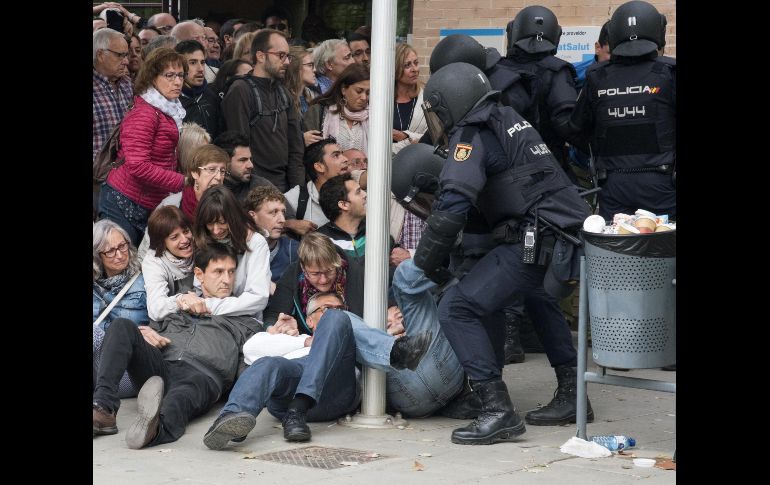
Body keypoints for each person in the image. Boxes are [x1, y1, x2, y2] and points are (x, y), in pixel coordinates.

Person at [415, 62, 594, 445]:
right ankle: (570, 393)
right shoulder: (506, 116)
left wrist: (424, 263)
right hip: (556, 232)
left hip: (534, 237)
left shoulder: (472, 134)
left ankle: (497, 409)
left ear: (449, 104)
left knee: (457, 306)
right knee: (501, 299)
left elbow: (451, 209)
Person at [92, 243, 264, 448]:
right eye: (218, 272)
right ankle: (104, 408)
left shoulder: (246, 322)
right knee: (122, 326)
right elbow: (152, 327)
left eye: (231, 272)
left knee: (178, 398)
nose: (226, 280)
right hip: (161, 365)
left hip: (203, 375)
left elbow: (249, 364)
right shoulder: (178, 303)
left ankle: (155, 429)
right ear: (199, 274)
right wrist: (145, 335)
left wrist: (237, 404)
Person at [567, 0, 676, 220]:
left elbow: (575, 130)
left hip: (613, 185)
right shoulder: (668, 73)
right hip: (662, 183)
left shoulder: (597, 76)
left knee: (617, 250)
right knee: (665, 248)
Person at [98, 47, 187, 247]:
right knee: (118, 263)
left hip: (149, 200)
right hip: (123, 200)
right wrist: (183, 181)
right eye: (169, 75)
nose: (178, 81)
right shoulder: (145, 112)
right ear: (152, 77)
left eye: (180, 75)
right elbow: (137, 166)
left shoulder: (169, 108)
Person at [221, 29, 305, 192]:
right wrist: (254, 189)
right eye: (281, 55)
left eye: (288, 56)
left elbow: (296, 147)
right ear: (260, 56)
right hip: (253, 188)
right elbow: (239, 147)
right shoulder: (241, 90)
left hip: (285, 186)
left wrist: (298, 191)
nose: (287, 62)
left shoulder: (284, 92)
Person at [193, 185, 272, 318]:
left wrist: (207, 305)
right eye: (210, 223)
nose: (216, 230)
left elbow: (258, 298)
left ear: (233, 218)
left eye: (222, 222)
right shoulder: (204, 239)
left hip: (244, 321)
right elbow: (198, 288)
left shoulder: (255, 242)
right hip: (205, 319)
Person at [93, 219, 148, 402]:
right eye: (110, 251)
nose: (119, 255)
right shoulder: (94, 286)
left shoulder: (145, 280)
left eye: (122, 246)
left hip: (129, 373)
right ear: (97, 255)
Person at [283, 137, 351, 231]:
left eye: (342, 154)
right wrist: (291, 224)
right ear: (319, 167)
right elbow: (264, 222)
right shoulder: (299, 196)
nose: (346, 159)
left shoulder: (355, 192)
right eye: (336, 155)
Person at [304, 63, 370, 153]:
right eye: (359, 91)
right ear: (343, 89)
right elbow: (311, 152)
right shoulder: (319, 111)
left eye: (368, 93)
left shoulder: (373, 117)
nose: (364, 97)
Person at [243, 185, 299, 285]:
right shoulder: (238, 249)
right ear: (252, 216)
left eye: (283, 212)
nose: (282, 220)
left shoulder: (295, 250)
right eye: (273, 212)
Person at [175, 40, 222, 138]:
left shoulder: (213, 96)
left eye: (203, 62)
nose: (200, 69)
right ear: (179, 66)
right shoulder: (171, 101)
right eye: (193, 63)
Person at [213, 130, 275, 202]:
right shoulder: (211, 188)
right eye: (243, 160)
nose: (251, 165)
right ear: (224, 162)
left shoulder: (261, 186)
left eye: (250, 159)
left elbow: (287, 212)